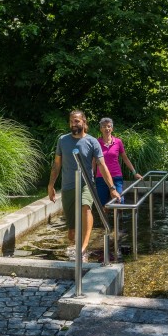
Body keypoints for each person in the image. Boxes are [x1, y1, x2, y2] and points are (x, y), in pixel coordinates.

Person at [48, 110, 120, 260]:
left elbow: (102, 165)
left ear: (84, 123)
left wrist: (112, 188)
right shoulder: (63, 140)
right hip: (68, 186)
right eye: (72, 121)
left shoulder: (92, 141)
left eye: (77, 121)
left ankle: (83, 248)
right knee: (72, 231)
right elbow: (56, 165)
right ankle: (74, 245)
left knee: (86, 207)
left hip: (86, 184)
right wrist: (51, 185)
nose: (74, 124)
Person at [93, 117, 141, 209]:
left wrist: (135, 173)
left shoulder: (118, 142)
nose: (107, 128)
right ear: (101, 129)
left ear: (112, 128)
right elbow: (94, 161)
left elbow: (125, 158)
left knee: (119, 203)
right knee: (103, 205)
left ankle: (119, 221)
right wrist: (91, 175)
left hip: (116, 177)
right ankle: (105, 223)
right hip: (101, 178)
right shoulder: (96, 143)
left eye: (109, 126)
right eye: (104, 126)